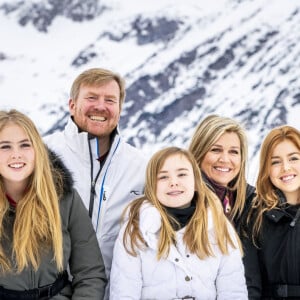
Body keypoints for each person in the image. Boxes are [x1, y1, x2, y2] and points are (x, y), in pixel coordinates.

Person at [44, 68, 147, 283]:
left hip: (115, 292)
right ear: (72, 105)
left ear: (120, 108)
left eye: (110, 100)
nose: (101, 106)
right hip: (50, 291)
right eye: (91, 97)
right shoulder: (42, 155)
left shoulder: (141, 167)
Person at [110, 147, 248, 299]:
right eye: (163, 177)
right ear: (151, 186)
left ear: (196, 182)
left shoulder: (219, 227)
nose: (173, 182)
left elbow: (233, 292)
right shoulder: (136, 229)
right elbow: (124, 292)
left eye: (182, 174)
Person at [0, 109, 107, 299]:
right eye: (5, 147)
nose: (16, 154)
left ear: (37, 150)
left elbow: (90, 272)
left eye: (25, 145)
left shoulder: (64, 198)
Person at [243, 125, 300, 299]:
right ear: (266, 169)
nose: (285, 168)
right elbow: (250, 283)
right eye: (275, 161)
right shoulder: (254, 216)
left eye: (293, 158)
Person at [188, 114, 255, 234]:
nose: (225, 159)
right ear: (198, 153)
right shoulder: (183, 202)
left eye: (233, 152)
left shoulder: (249, 203)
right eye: (216, 150)